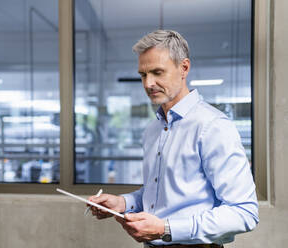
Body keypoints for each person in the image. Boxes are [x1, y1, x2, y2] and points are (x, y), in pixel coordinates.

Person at [88, 30, 259, 248]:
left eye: (157, 72)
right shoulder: (153, 130)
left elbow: (244, 211)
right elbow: (162, 195)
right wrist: (122, 203)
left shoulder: (213, 126)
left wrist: (166, 229)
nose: (148, 83)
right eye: (143, 74)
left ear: (184, 68)